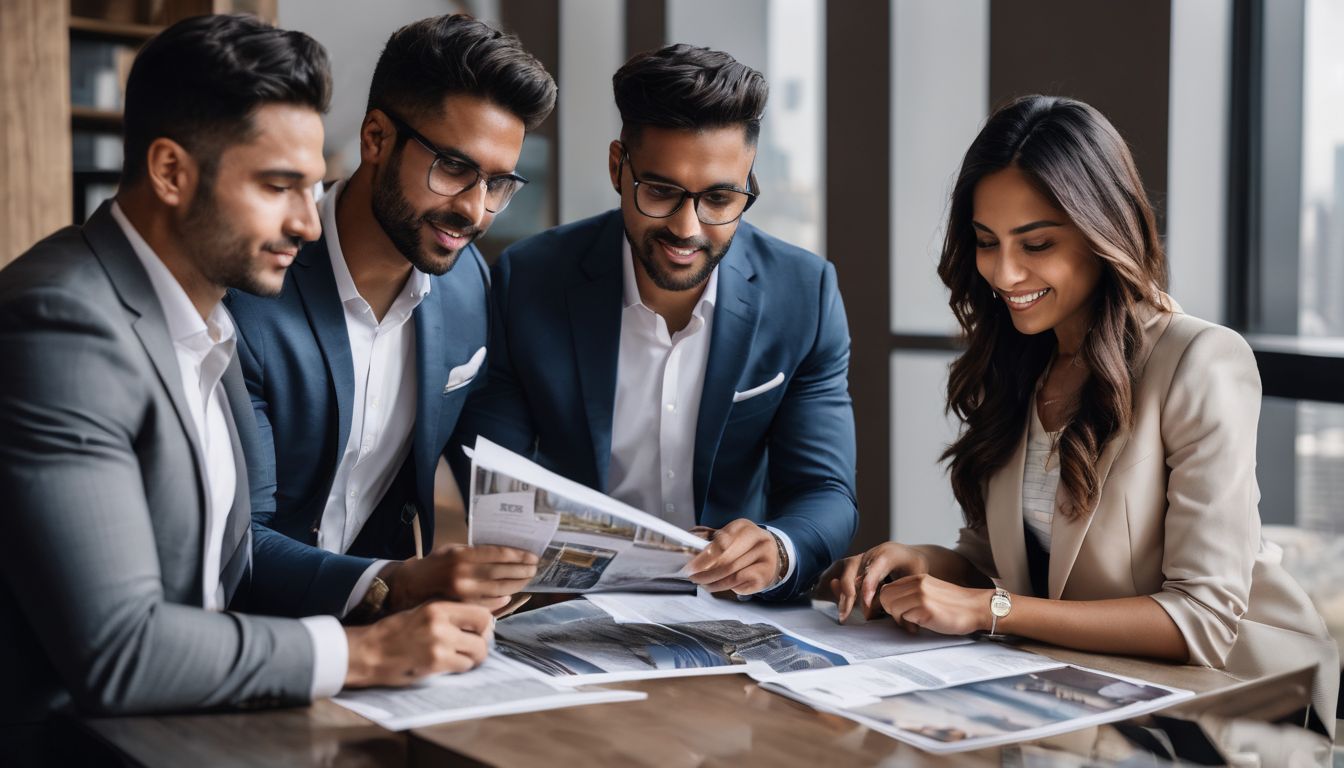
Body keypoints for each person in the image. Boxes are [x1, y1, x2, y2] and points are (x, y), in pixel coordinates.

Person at [0, 15, 493, 761]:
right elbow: (119, 650)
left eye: (312, 186)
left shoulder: (209, 317)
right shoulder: (61, 323)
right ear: (171, 172)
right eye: (277, 187)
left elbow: (238, 557)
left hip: (215, 721)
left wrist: (388, 582)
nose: (307, 222)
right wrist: (366, 655)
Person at [822, 94, 1337, 729]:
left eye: (1035, 243)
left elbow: (1203, 620)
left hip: (1230, 711)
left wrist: (989, 609)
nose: (1005, 273)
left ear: (1103, 233)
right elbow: (1000, 563)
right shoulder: (1014, 363)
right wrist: (919, 565)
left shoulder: (1200, 360)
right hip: (1079, 700)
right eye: (986, 242)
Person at [450, 44, 858, 600]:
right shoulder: (531, 280)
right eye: (661, 191)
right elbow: (495, 479)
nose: (687, 228)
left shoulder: (803, 293)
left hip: (732, 611)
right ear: (619, 166)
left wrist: (779, 546)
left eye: (718, 197)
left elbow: (826, 491)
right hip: (567, 606)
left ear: (748, 183)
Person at [226, 14, 556, 621]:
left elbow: (490, 465)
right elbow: (239, 542)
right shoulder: (248, 289)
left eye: (499, 183)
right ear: (376, 138)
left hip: (392, 637)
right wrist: (395, 584)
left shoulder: (467, 285)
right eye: (454, 169)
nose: (475, 212)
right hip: (249, 638)